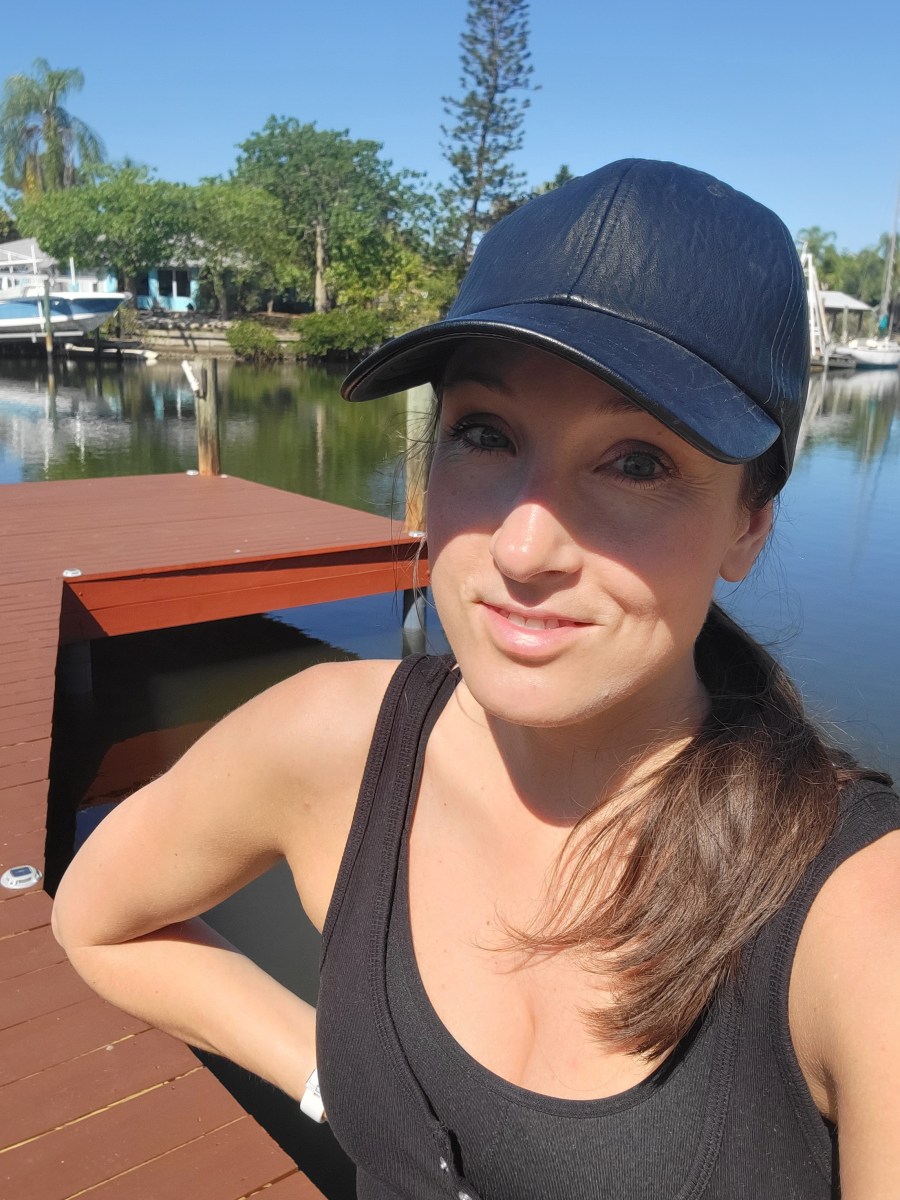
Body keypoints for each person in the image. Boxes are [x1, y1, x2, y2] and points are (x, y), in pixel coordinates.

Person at [52, 160, 899, 1199]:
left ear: (751, 522)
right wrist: (335, 1078)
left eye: (634, 462)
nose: (524, 545)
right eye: (486, 435)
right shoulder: (330, 746)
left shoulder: (857, 915)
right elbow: (97, 919)